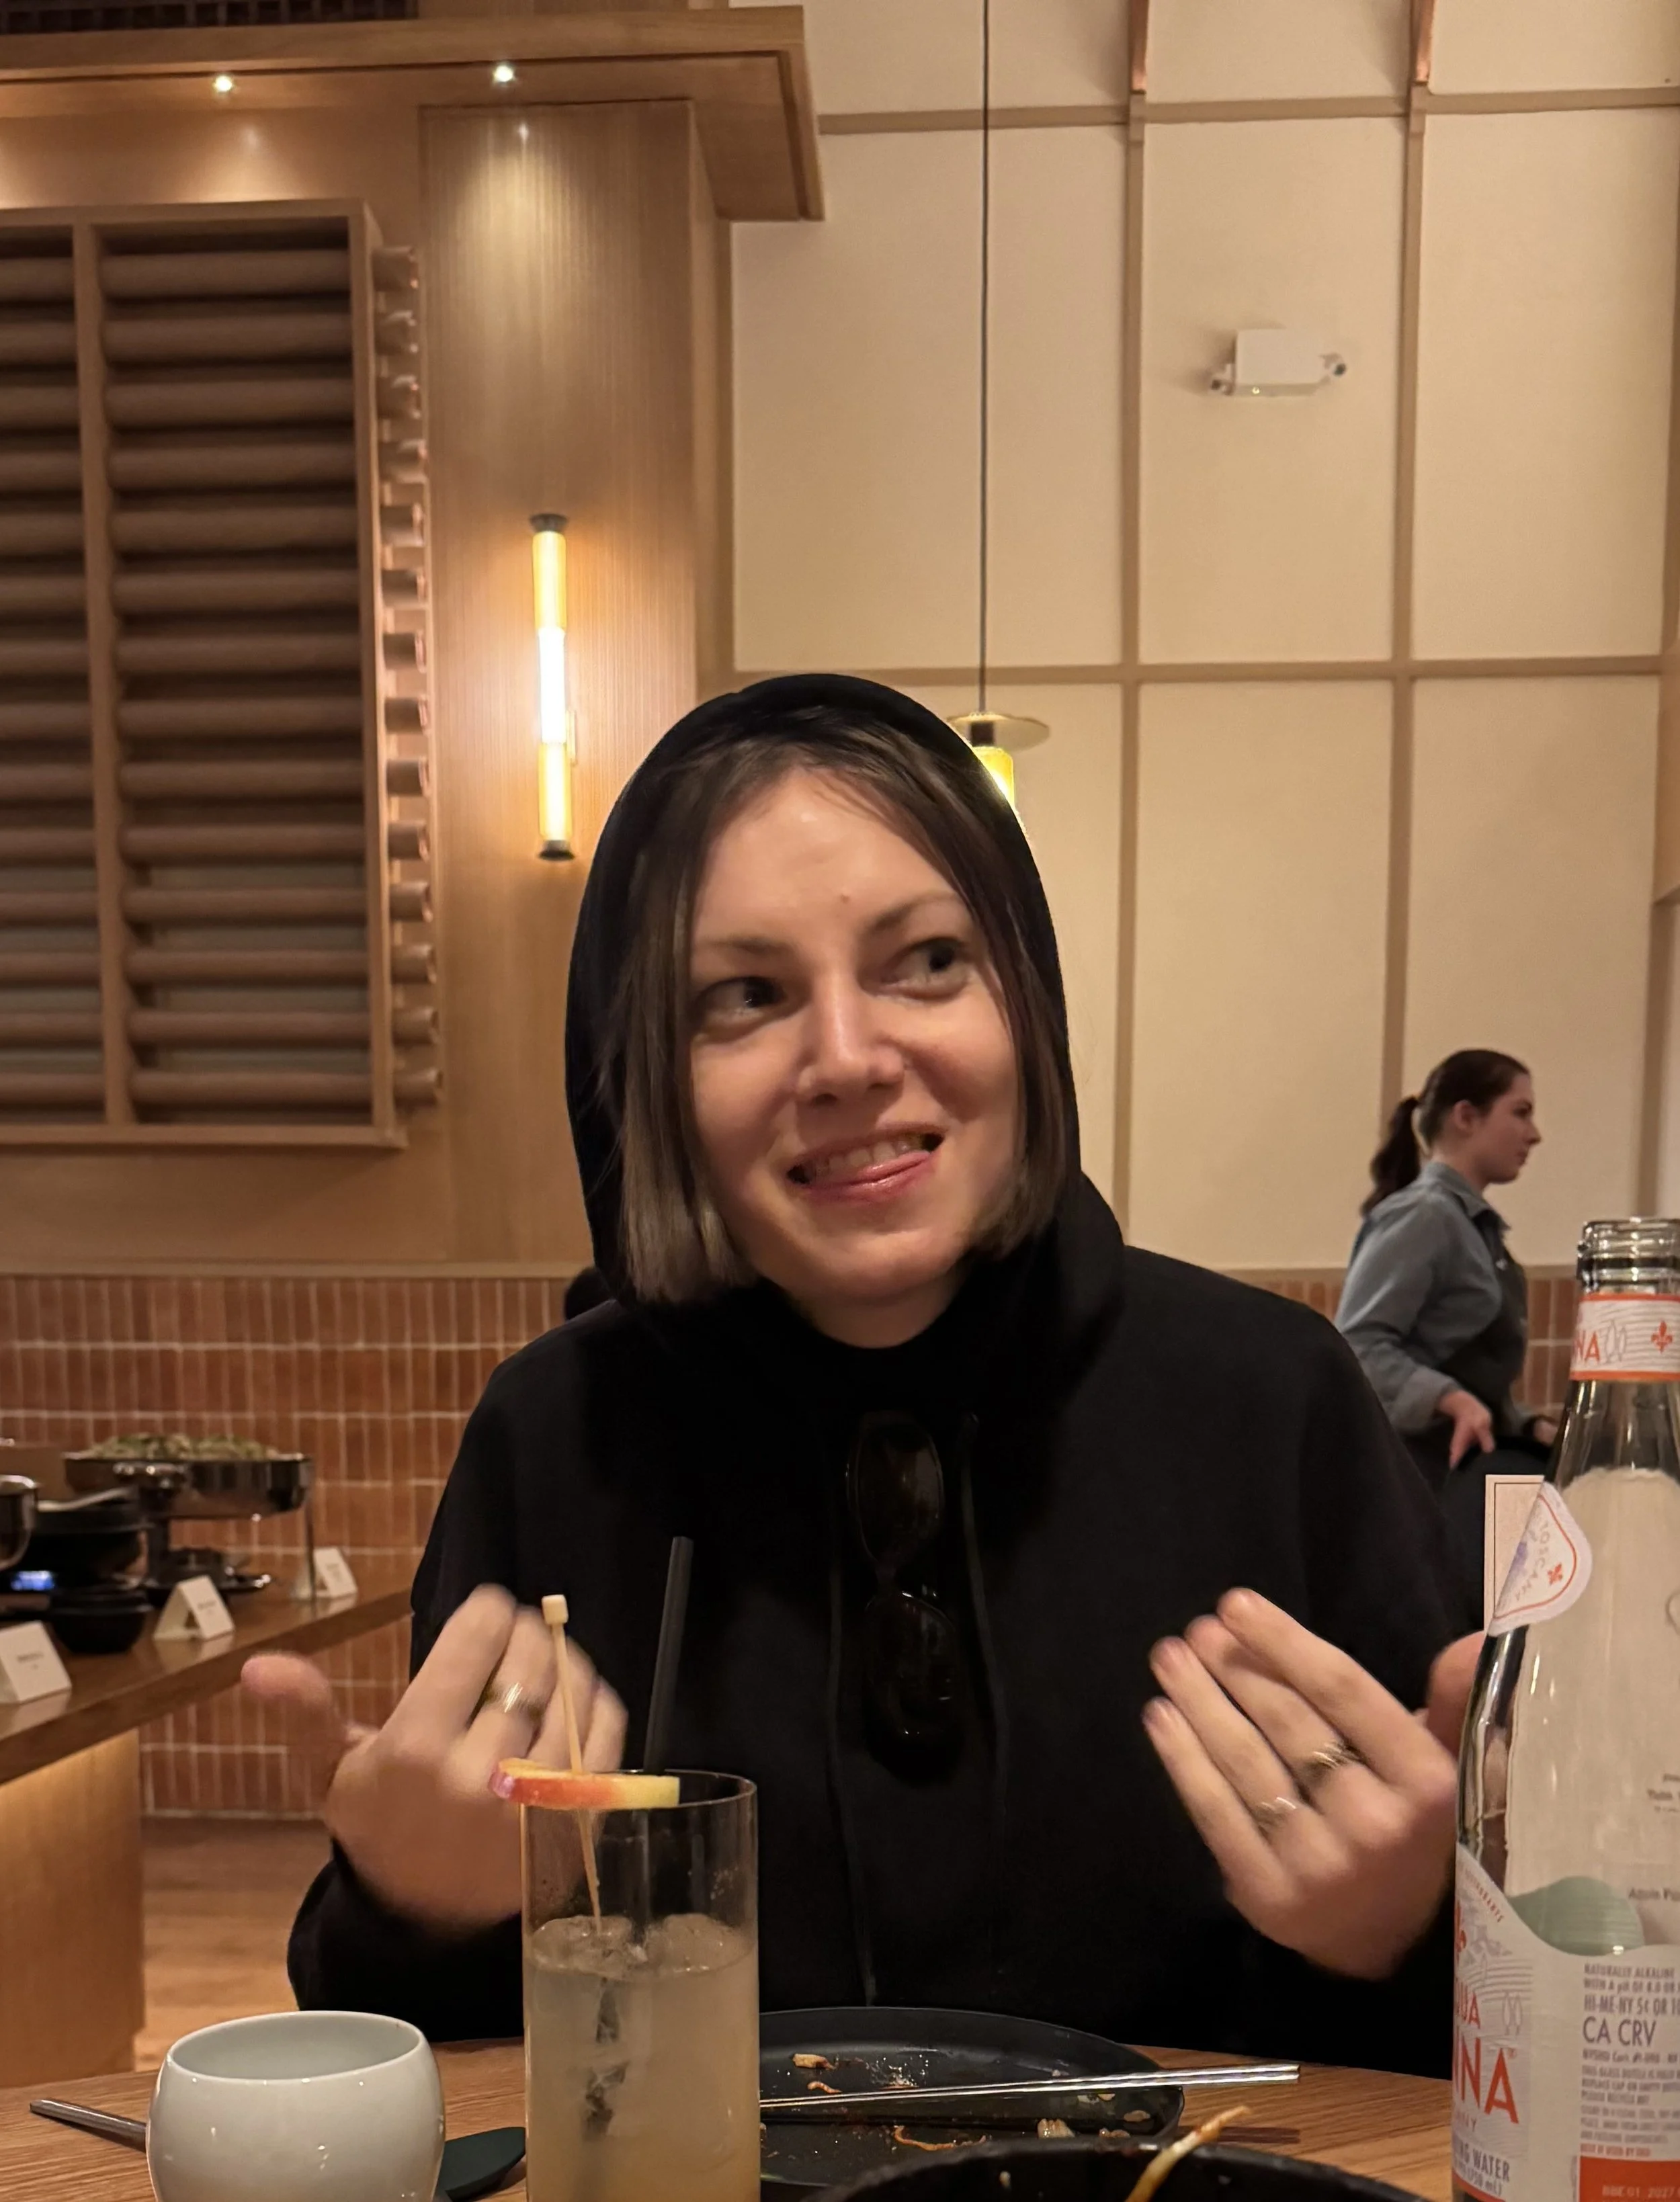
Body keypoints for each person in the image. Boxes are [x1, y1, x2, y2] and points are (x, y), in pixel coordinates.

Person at [245, 675, 1474, 2077]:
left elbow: (1475, 2037)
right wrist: (413, 1910)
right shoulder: (555, 1436)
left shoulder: (1273, 1401)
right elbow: (465, 2084)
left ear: (1024, 1001)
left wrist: (1405, 1932)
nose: (846, 1057)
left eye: (926, 961)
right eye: (745, 996)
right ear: (645, 1081)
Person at [1336, 1051, 1555, 1629]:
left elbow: (1469, 1370)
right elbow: (1356, 1345)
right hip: (1423, 1484)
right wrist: (1449, 1398)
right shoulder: (1425, 1216)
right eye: (1521, 1111)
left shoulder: (1472, 1227)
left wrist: (1526, 1422)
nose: (1534, 1133)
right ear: (1466, 1115)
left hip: (1454, 1478)